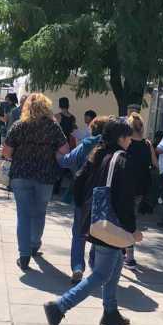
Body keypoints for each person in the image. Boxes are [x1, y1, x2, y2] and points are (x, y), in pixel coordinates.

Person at [43, 119, 141, 325]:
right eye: (128, 137)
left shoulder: (97, 154)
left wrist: (87, 212)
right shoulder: (120, 160)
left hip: (95, 220)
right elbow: (125, 199)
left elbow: (78, 183)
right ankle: (59, 306)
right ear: (121, 138)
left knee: (115, 266)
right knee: (101, 274)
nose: (131, 142)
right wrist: (131, 229)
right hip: (111, 223)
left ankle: (110, 311)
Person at [3, 93, 69, 272]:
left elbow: (6, 152)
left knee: (23, 215)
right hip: (45, 176)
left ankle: (24, 255)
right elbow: (65, 150)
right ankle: (34, 245)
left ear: (27, 107)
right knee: (39, 212)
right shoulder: (53, 127)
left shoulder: (19, 125)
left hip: (21, 174)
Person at [58, 115, 110, 282]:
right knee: (99, 232)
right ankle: (95, 266)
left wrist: (56, 154)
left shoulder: (86, 144)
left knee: (79, 233)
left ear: (93, 130)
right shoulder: (112, 146)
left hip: (83, 193)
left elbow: (67, 161)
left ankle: (78, 267)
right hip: (104, 195)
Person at [124, 112, 157, 268]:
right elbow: (155, 164)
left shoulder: (126, 142)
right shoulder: (147, 144)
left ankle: (127, 254)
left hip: (125, 184)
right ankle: (127, 252)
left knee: (123, 217)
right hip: (141, 187)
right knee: (132, 218)